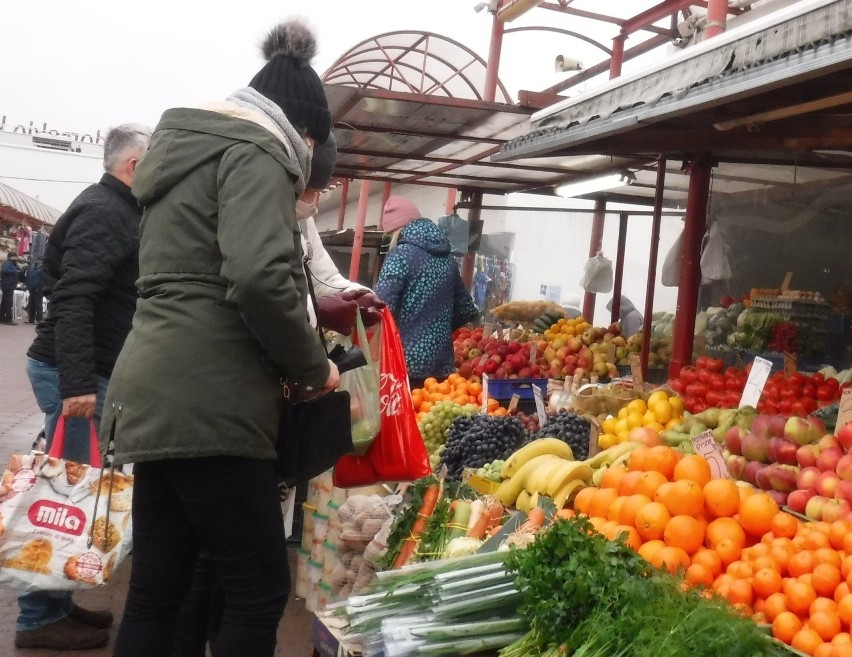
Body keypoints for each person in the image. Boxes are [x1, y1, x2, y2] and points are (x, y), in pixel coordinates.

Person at [101, 19, 339, 657]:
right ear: (302, 128)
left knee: (157, 589)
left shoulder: (183, 154)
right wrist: (314, 368)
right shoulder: (260, 149)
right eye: (313, 140)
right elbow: (259, 277)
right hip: (214, 400)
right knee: (258, 590)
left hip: (152, 387)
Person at [171, 132, 384, 657]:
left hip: (218, 403)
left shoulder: (268, 209)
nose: (318, 196)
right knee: (253, 584)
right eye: (316, 185)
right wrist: (316, 369)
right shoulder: (254, 204)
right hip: (234, 406)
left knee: (194, 574)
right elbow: (263, 288)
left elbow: (316, 279)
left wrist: (342, 299)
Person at [15, 123, 152, 651]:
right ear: (134, 167)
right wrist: (78, 385)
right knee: (63, 492)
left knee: (75, 491)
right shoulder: (106, 211)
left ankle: (57, 603)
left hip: (86, 371)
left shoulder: (116, 208)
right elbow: (73, 299)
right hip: (76, 375)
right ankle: (36, 619)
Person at [375, 196, 479, 388]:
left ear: (397, 231)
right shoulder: (448, 260)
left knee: (408, 415)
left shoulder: (400, 256)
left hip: (404, 364)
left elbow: (381, 308)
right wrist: (438, 329)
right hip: (442, 364)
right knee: (430, 410)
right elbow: (466, 308)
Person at [0, 252, 21, 324]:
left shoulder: (10, 263)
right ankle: (9, 319)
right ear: (11, 257)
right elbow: (4, 270)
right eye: (15, 257)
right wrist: (14, 271)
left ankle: (2, 318)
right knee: (9, 302)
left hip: (7, 285)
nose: (16, 258)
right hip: (8, 285)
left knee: (5, 302)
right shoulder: (8, 263)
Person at [26, 258, 44, 324]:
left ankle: (39, 319)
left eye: (39, 261)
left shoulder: (42, 269)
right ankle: (31, 319)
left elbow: (42, 279)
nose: (38, 262)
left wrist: (40, 286)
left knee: (38, 303)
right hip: (32, 287)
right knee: (31, 303)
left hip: (38, 288)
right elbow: (29, 277)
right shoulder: (33, 268)